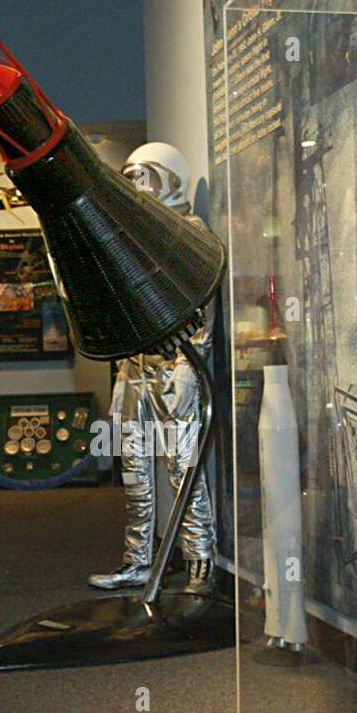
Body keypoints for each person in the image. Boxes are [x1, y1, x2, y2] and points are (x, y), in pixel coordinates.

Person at [88, 142, 217, 592]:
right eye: (131, 177)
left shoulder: (190, 233)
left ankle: (200, 561)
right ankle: (137, 560)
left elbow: (200, 307)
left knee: (183, 468)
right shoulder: (133, 237)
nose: (136, 185)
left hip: (175, 364)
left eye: (145, 175)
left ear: (168, 178)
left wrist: (187, 364)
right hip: (135, 366)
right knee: (134, 468)